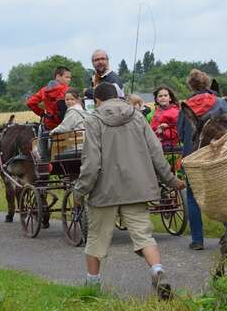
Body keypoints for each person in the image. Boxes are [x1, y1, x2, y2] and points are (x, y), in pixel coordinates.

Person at [72, 82, 186, 299]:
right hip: (137, 189)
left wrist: (79, 193)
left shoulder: (94, 120)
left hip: (104, 193)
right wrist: (172, 181)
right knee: (144, 236)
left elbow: (91, 163)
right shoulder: (137, 116)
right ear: (118, 96)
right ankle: (158, 271)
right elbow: (156, 152)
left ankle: (92, 288)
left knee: (95, 240)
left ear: (97, 100)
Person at [177, 69, 227, 250]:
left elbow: (179, 133)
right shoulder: (221, 103)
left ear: (190, 86)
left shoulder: (185, 107)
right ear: (207, 83)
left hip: (192, 156)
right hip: (217, 156)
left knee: (193, 198)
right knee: (223, 196)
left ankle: (197, 240)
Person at [27, 66, 71, 162]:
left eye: (69, 78)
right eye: (67, 77)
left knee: (41, 130)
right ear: (58, 77)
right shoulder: (68, 91)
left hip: (49, 127)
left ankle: (44, 160)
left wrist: (42, 114)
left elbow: (30, 103)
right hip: (66, 127)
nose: (69, 80)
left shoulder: (44, 90)